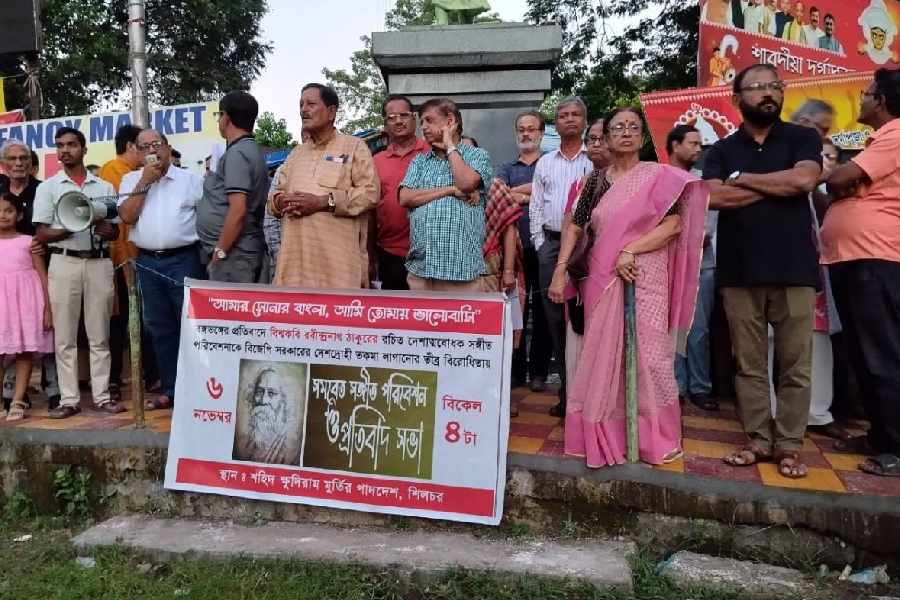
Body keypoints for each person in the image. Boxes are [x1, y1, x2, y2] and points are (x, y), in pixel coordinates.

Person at [549, 108, 707, 467]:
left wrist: (631, 249)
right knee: (603, 357)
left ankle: (654, 438)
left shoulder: (657, 176)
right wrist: (560, 270)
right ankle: (610, 435)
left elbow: (673, 226)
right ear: (606, 138)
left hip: (644, 274)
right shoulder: (595, 181)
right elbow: (576, 227)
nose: (625, 132)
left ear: (643, 137)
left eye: (633, 127)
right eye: (617, 127)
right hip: (602, 277)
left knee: (649, 356)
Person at [704, 64, 823, 478]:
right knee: (749, 364)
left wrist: (744, 179)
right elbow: (715, 197)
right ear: (738, 98)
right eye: (757, 87)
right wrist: (777, 185)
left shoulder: (802, 137)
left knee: (795, 364)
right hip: (739, 271)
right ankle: (758, 439)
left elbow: (804, 181)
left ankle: (789, 444)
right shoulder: (721, 150)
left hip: (795, 269)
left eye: (774, 86)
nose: (767, 93)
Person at [821, 68, 900, 476]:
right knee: (863, 354)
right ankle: (879, 436)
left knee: (881, 354)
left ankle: (896, 448)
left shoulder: (895, 133)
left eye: (868, 93)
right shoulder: (880, 139)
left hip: (876, 257)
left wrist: (839, 181)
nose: (862, 99)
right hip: (855, 257)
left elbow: (841, 178)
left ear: (882, 101)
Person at [32, 127, 126, 419]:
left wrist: (105, 228)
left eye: (71, 144)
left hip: (98, 261)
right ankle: (69, 399)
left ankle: (102, 396)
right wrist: (72, 226)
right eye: (60, 145)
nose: (65, 150)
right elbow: (42, 233)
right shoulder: (49, 187)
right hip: (64, 262)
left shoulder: (104, 187)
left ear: (84, 149)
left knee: (99, 334)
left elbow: (115, 231)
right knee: (65, 336)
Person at [118, 129, 205, 411]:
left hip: (184, 259)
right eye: (145, 146)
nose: (152, 150)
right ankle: (171, 388)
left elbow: (205, 219)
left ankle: (199, 388)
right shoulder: (131, 180)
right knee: (158, 326)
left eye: (156, 144)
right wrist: (145, 180)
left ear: (167, 147)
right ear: (137, 152)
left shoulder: (190, 179)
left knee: (191, 326)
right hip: (147, 262)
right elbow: (127, 216)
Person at [269, 83, 378, 288]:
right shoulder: (296, 154)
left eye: (311, 104)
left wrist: (323, 202)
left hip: (337, 271)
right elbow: (274, 199)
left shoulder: (354, 147)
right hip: (295, 269)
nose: (303, 110)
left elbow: (370, 194)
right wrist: (281, 202)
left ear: (331, 112)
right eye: (301, 105)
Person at [530, 97, 592, 417]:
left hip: (587, 248)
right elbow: (536, 205)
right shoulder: (545, 162)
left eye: (575, 114)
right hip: (551, 245)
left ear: (585, 121)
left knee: (585, 320)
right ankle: (567, 395)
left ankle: (587, 397)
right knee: (555, 321)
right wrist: (540, 243)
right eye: (563, 115)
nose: (569, 119)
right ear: (556, 123)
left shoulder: (595, 160)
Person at [398, 97, 492, 291]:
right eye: (422, 122)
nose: (423, 127)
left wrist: (449, 145)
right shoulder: (420, 161)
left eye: (429, 120)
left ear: (450, 121)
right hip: (422, 270)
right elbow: (405, 197)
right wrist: (450, 190)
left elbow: (466, 183)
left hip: (462, 271)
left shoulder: (477, 155)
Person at [0, 141, 59, 410]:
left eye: (23, 158)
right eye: (12, 158)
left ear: (31, 162)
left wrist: (44, 241)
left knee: (42, 333)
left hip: (39, 269)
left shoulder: (43, 190)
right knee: (11, 336)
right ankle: (13, 392)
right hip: (6, 278)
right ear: (4, 164)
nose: (18, 163)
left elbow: (56, 224)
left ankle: (53, 389)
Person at [498, 111, 552, 392]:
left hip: (545, 248)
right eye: (521, 129)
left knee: (544, 311)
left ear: (541, 133)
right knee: (514, 312)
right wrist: (537, 192)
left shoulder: (551, 163)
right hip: (514, 250)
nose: (526, 133)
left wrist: (520, 194)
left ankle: (539, 372)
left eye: (532, 129)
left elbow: (556, 194)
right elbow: (500, 196)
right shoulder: (505, 168)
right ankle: (516, 371)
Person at [667, 125, 719, 412]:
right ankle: (675, 386)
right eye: (693, 143)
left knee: (698, 331)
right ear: (675, 145)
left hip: (701, 265)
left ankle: (700, 387)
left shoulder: (704, 182)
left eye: (701, 144)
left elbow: (707, 231)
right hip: (669, 265)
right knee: (673, 329)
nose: (699, 149)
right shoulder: (660, 179)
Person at [197, 91, 267, 283]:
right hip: (238, 252)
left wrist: (220, 251)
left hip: (234, 255)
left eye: (219, 115)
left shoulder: (237, 153)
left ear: (226, 117)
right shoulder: (249, 149)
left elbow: (238, 210)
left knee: (231, 303)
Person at [98, 124, 145, 402]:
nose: (146, 152)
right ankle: (114, 380)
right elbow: (118, 219)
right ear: (129, 146)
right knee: (118, 322)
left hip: (140, 257)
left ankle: (145, 375)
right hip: (120, 258)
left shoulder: (137, 172)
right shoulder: (112, 171)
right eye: (142, 146)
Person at [372, 95, 429, 290]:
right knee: (394, 307)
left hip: (430, 251)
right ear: (385, 123)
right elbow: (370, 209)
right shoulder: (376, 161)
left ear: (414, 118)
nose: (398, 121)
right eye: (392, 117)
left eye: (404, 115)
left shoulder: (432, 152)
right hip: (389, 253)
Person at [857, 0, 898, 64]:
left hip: (871, 12)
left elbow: (860, 45)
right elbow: (895, 55)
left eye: (875, 36)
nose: (878, 40)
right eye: (881, 37)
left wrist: (862, 49)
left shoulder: (868, 32)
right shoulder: (889, 31)